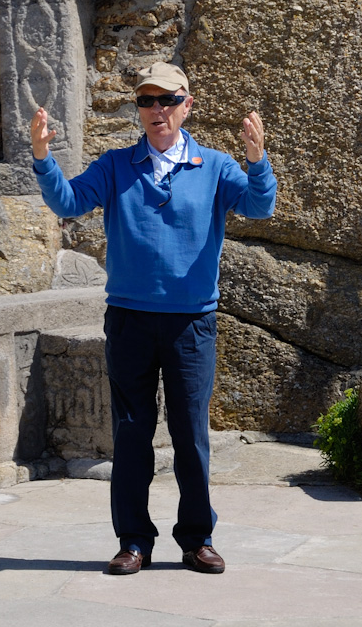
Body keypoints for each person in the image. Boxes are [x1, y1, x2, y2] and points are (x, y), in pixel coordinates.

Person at [30, 61, 277, 576]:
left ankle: (197, 538)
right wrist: (42, 157)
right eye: (146, 101)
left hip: (191, 323)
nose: (157, 110)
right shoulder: (117, 164)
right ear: (138, 110)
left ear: (188, 105)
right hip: (130, 321)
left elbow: (259, 207)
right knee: (131, 434)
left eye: (167, 100)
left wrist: (257, 160)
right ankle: (134, 541)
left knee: (191, 436)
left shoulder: (214, 166)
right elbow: (68, 201)